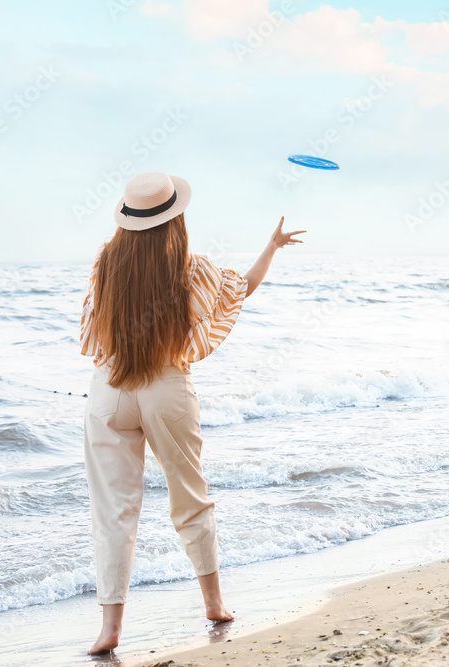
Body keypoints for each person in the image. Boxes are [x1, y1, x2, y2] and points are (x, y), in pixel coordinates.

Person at [79, 171, 304, 655]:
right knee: (190, 497)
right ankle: (215, 604)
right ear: (174, 218)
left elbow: (95, 328)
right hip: (165, 387)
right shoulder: (189, 267)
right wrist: (271, 247)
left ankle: (109, 629)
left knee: (113, 512)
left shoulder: (105, 263)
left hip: (109, 390)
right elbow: (242, 288)